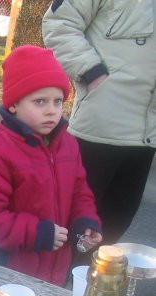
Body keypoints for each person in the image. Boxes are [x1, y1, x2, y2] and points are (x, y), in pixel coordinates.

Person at [0, 45, 102, 286]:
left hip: (55, 272)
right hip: (7, 272)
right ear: (14, 104)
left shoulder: (68, 145)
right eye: (40, 101)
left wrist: (84, 222)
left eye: (57, 101)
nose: (51, 111)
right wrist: (37, 233)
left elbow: (79, 192)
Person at [43, 1, 156, 247]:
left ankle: (90, 282)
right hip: (97, 129)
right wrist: (91, 72)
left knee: (111, 231)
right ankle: (55, 283)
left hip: (147, 136)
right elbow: (59, 23)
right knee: (70, 227)